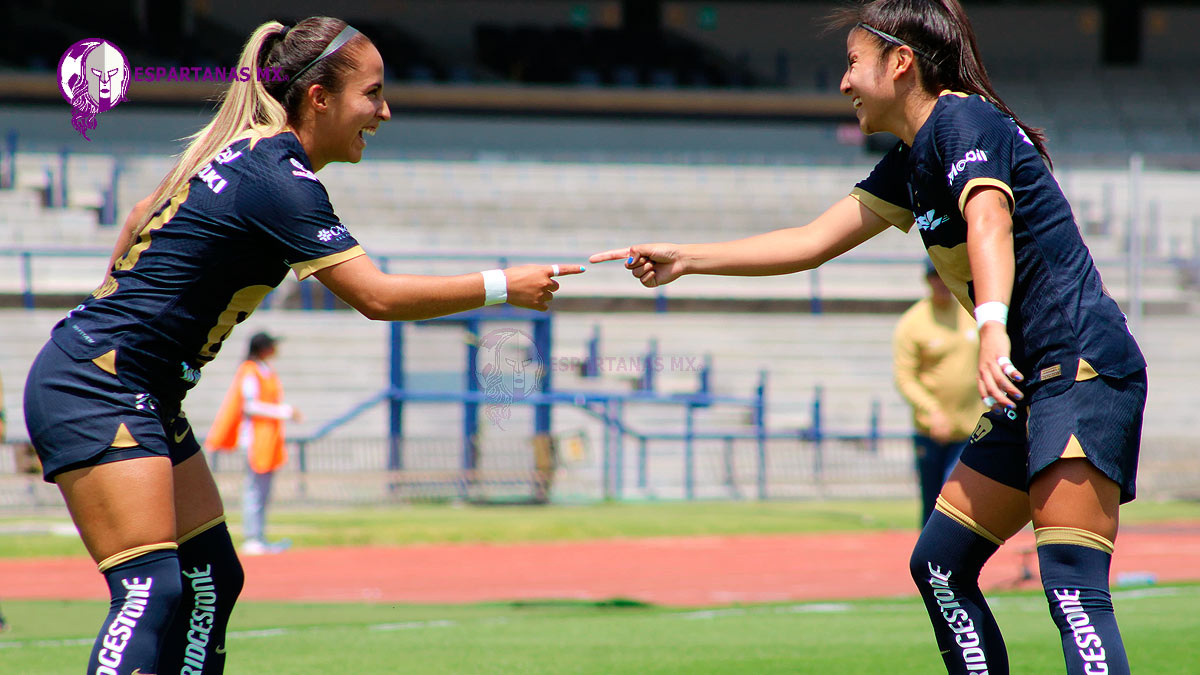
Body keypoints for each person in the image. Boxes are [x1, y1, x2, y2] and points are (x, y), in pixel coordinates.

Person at [590, 2, 1146, 673]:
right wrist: (686, 258)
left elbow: (990, 222)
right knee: (939, 563)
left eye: (853, 63)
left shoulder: (961, 118)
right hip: (1029, 383)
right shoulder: (913, 160)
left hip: (1078, 366)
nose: (845, 83)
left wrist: (992, 329)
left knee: (1074, 588)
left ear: (900, 62)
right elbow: (810, 241)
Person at [23, 16, 583, 674]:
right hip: (98, 385)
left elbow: (136, 215)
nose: (385, 110)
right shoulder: (279, 178)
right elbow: (376, 297)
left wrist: (116, 307)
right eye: (372, 94)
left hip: (129, 385)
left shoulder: (253, 158)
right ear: (319, 98)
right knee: (151, 589)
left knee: (212, 578)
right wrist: (502, 284)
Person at [893, 261, 983, 526]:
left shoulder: (971, 312)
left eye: (944, 275)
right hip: (930, 432)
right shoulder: (913, 323)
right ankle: (929, 564)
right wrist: (932, 410)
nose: (941, 282)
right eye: (935, 277)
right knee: (932, 504)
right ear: (928, 280)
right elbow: (905, 377)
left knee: (955, 500)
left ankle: (955, 561)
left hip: (971, 429)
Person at [206, 332, 300, 555]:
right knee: (254, 490)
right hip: (255, 437)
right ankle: (252, 538)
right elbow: (249, 405)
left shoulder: (267, 370)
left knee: (264, 490)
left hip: (269, 437)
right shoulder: (249, 370)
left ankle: (260, 536)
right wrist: (284, 411)